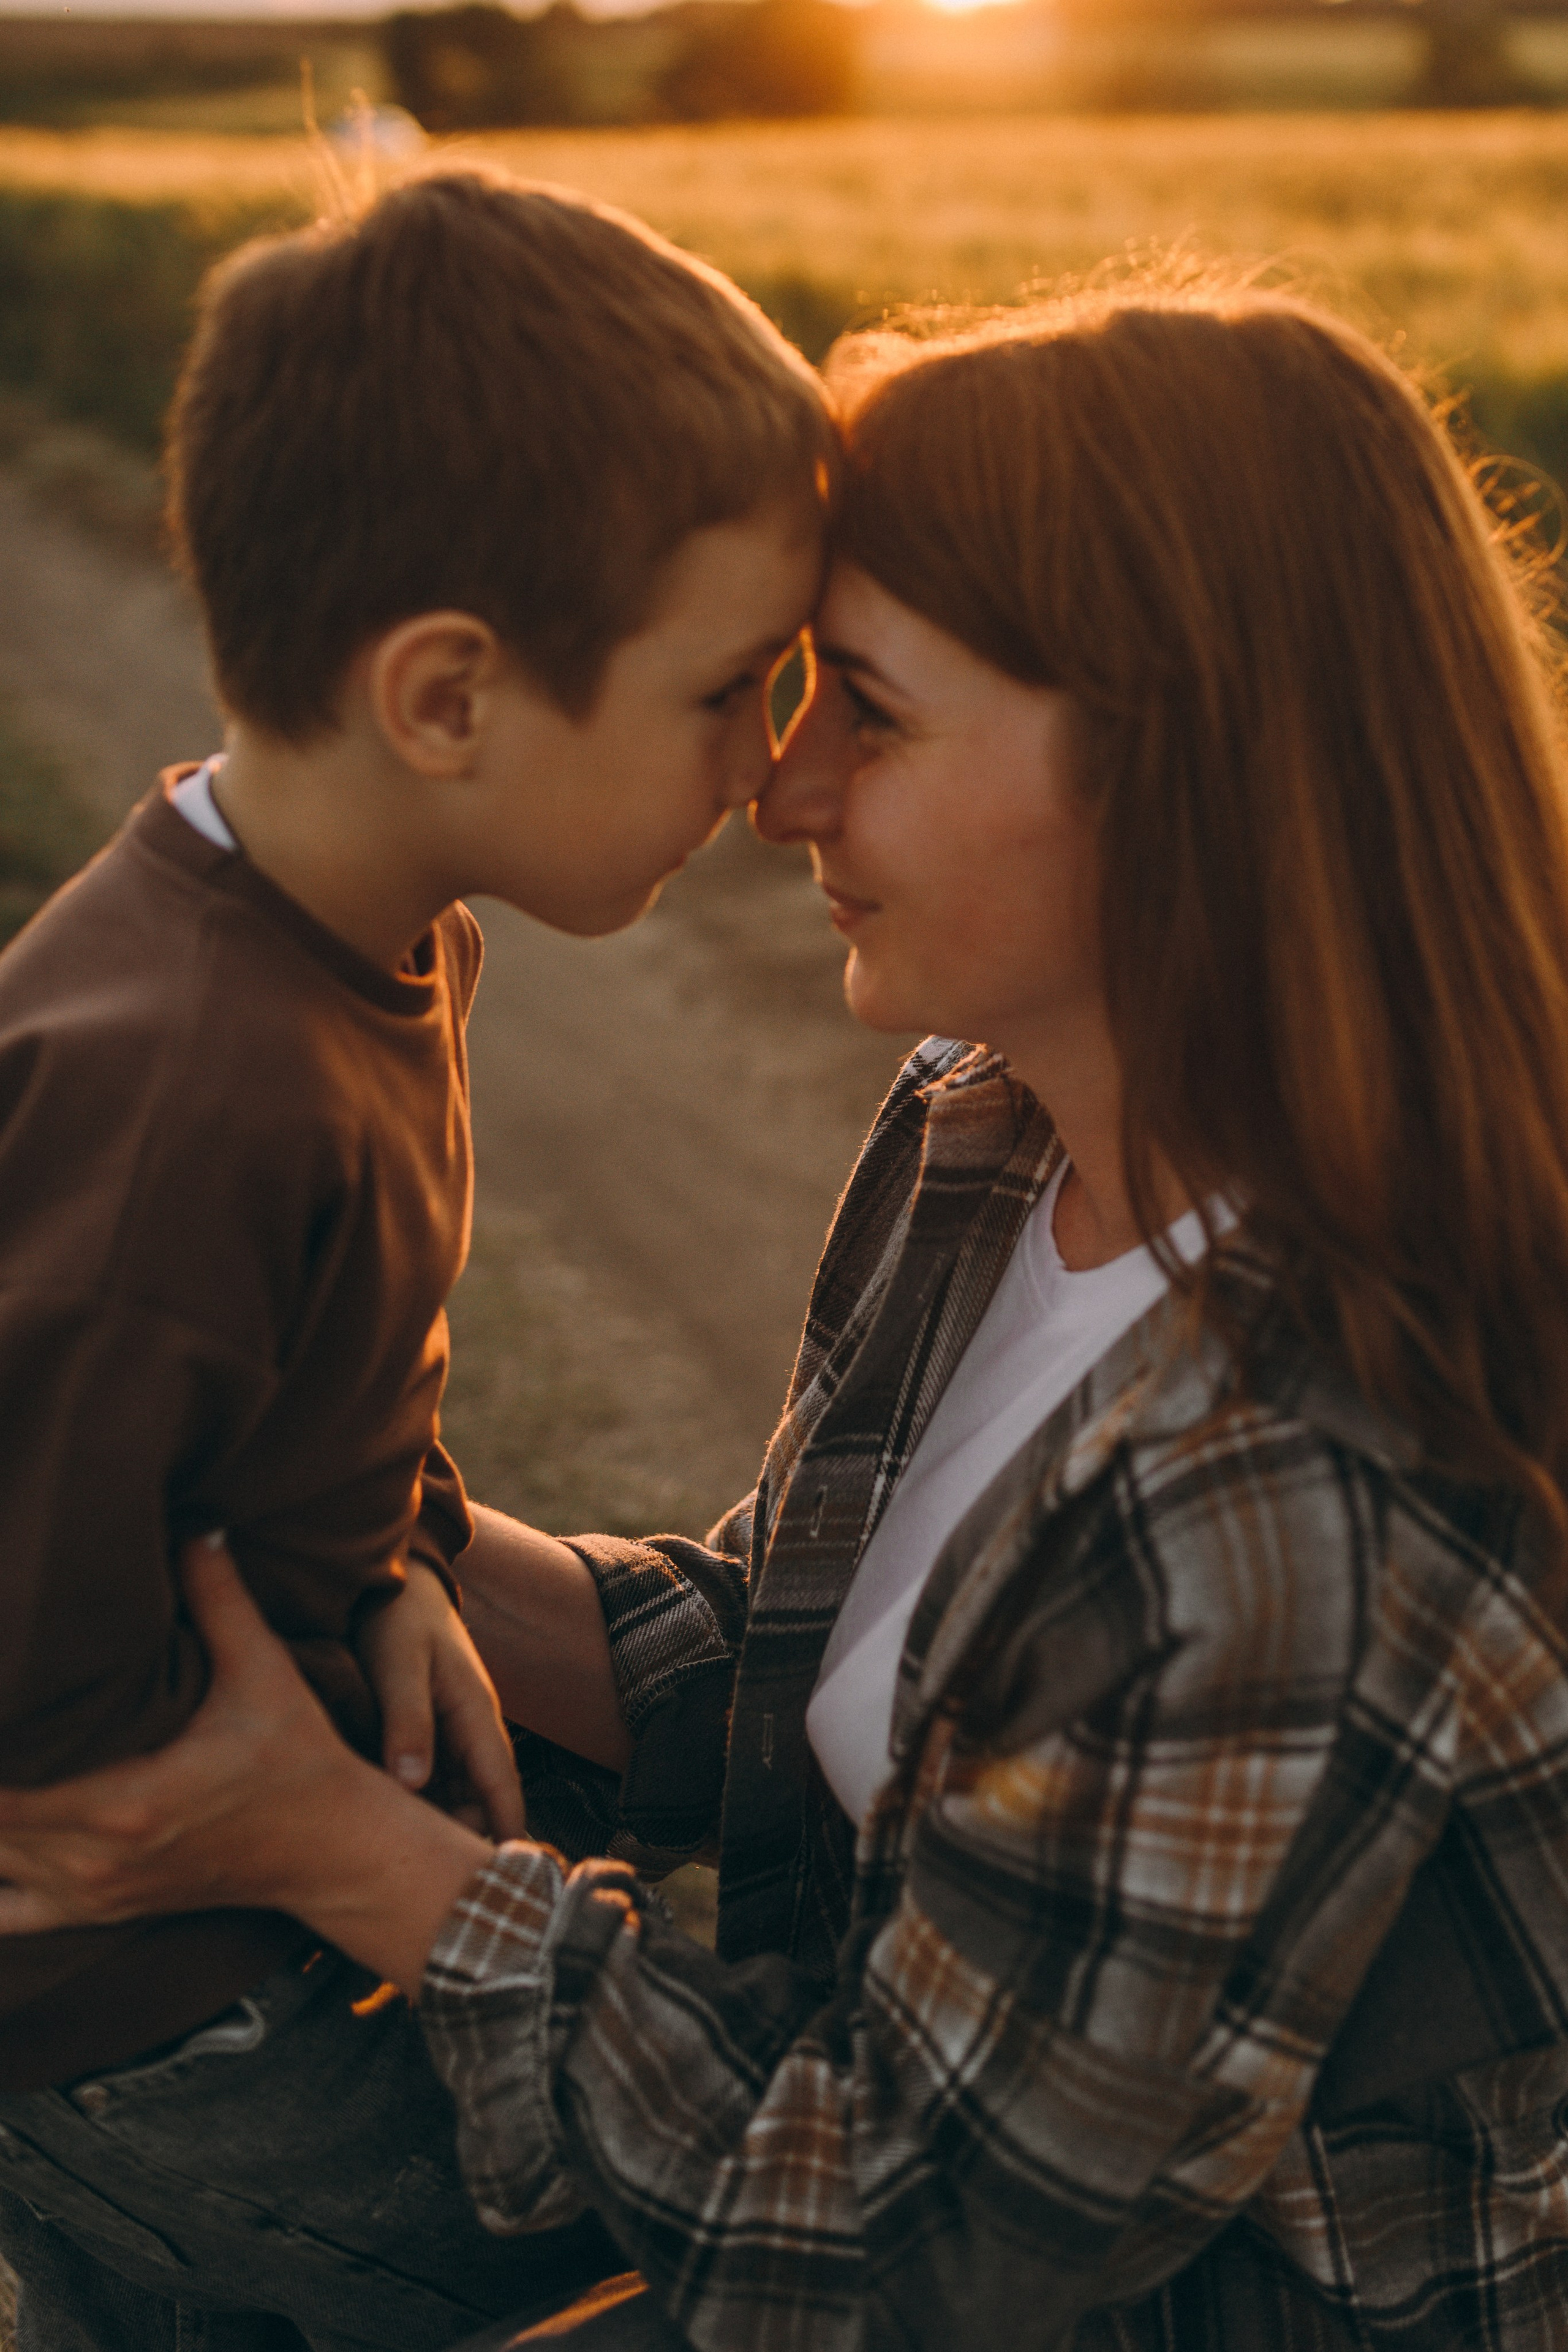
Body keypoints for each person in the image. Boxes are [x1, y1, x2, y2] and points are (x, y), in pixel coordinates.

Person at [6, 281, 1568, 2351]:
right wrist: (341, 1534)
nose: (780, 787)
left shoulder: (1321, 1476)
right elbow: (810, 1663)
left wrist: (345, 1853)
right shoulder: (989, 1125)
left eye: (874, 712)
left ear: (1185, 770)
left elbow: (921, 2244)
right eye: (783, 686)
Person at [0, 167, 828, 2352]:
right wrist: (282, 1829)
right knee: (601, 2231)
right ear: (449, 695)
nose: (768, 773)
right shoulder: (188, 1090)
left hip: (216, 1926)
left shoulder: (360, 935)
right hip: (143, 1996)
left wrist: (382, 1562)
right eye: (735, 688)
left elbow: (297, 1388)